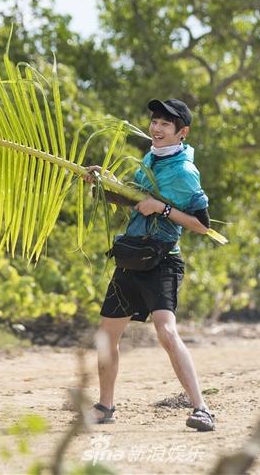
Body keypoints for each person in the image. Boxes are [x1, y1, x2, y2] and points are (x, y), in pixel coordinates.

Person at [83, 98, 215, 432]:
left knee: (166, 332)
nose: (156, 128)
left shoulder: (184, 172)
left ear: (181, 132)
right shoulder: (150, 159)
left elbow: (202, 225)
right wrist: (104, 181)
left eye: (164, 125)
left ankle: (202, 409)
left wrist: (163, 209)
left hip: (162, 260)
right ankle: (105, 406)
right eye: (154, 122)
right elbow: (133, 200)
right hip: (131, 259)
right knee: (105, 336)